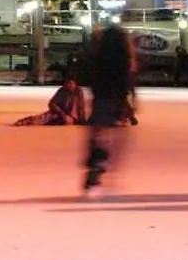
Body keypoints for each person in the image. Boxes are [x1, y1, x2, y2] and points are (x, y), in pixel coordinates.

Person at [73, 25, 137, 197]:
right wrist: (128, 101)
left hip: (100, 98)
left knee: (98, 132)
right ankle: (102, 166)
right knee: (113, 137)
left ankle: (95, 163)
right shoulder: (123, 59)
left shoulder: (98, 56)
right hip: (114, 100)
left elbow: (87, 75)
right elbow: (127, 81)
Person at [14, 78, 86, 126]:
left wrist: (82, 120)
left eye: (71, 83)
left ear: (75, 84)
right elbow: (51, 103)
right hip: (58, 113)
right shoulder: (62, 90)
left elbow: (81, 107)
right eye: (67, 83)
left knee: (66, 121)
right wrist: (62, 113)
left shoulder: (78, 92)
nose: (68, 85)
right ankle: (23, 121)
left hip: (70, 117)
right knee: (41, 118)